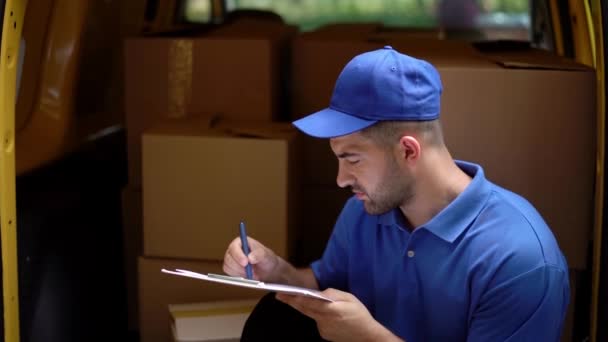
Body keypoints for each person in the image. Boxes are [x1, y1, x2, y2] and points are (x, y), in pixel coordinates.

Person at [223, 46, 570, 341]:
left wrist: (368, 337)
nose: (341, 179)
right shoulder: (363, 211)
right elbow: (320, 286)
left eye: (352, 159)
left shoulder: (520, 260)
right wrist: (275, 270)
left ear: (407, 151)